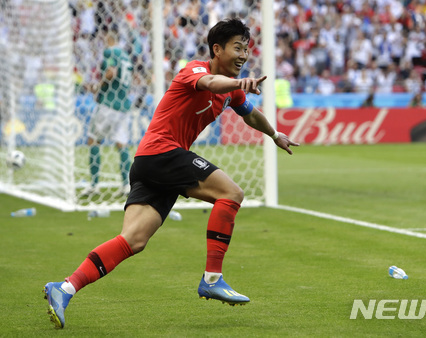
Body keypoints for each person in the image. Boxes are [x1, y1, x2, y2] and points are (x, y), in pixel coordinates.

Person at [43, 18, 299, 329]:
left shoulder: (231, 92)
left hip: (150, 165)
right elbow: (209, 83)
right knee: (231, 193)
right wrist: (237, 84)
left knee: (133, 240)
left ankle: (64, 288)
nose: (244, 55)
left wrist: (274, 134)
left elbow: (251, 115)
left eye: (246, 49)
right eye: (237, 48)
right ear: (217, 49)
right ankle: (212, 278)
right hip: (161, 152)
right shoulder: (195, 70)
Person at [81, 27, 133, 197]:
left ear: (108, 38)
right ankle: (126, 185)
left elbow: (111, 72)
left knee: (93, 140)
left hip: (109, 104)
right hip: (123, 105)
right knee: (121, 144)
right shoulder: (126, 56)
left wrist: (98, 87)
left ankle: (94, 185)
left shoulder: (111, 52)